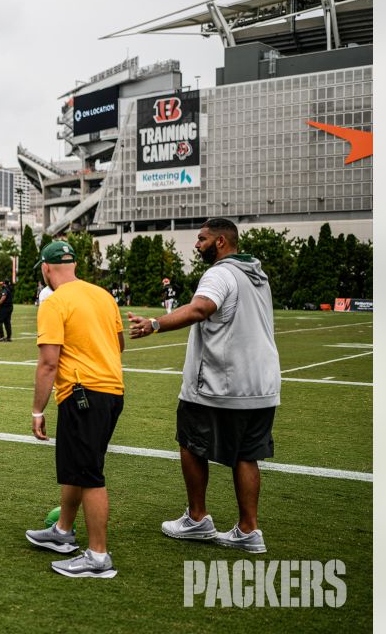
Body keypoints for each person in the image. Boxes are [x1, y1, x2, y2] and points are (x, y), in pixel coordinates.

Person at [128, 218, 281, 554]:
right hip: (263, 383)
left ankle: (197, 519)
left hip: (221, 383)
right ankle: (248, 530)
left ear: (221, 242)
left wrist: (155, 323)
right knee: (247, 455)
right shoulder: (256, 274)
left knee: (190, 442)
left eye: (202, 239)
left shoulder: (219, 273)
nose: (197, 245)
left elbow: (201, 308)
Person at [24, 240, 125, 579]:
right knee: (79, 467)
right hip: (111, 391)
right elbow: (119, 343)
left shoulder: (55, 302)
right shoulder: (103, 295)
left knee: (90, 474)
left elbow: (48, 362)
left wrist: (37, 410)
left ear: (45, 268)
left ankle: (98, 558)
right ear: (75, 265)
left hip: (83, 394)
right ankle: (63, 531)